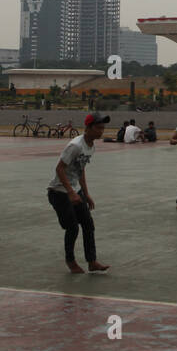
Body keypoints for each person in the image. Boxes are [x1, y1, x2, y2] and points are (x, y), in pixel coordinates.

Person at [47, 113, 110, 274]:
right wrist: (70, 192)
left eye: (103, 128)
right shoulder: (75, 145)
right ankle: (71, 261)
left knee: (88, 224)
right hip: (59, 192)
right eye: (98, 128)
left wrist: (85, 194)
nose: (101, 131)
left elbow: (80, 170)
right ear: (88, 128)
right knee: (73, 228)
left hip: (75, 191)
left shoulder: (91, 147)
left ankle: (92, 261)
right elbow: (59, 168)